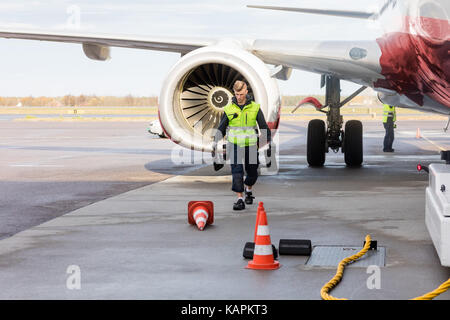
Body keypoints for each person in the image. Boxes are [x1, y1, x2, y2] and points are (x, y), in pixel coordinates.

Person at [212, 80, 271, 211]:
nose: (239, 97)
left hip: (250, 144)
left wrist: (267, 142)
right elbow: (221, 128)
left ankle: (248, 189)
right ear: (234, 93)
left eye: (241, 94)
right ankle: (240, 199)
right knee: (237, 172)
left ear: (246, 92)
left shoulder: (255, 107)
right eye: (237, 94)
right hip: (234, 144)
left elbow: (263, 127)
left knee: (252, 173)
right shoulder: (228, 109)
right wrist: (215, 143)